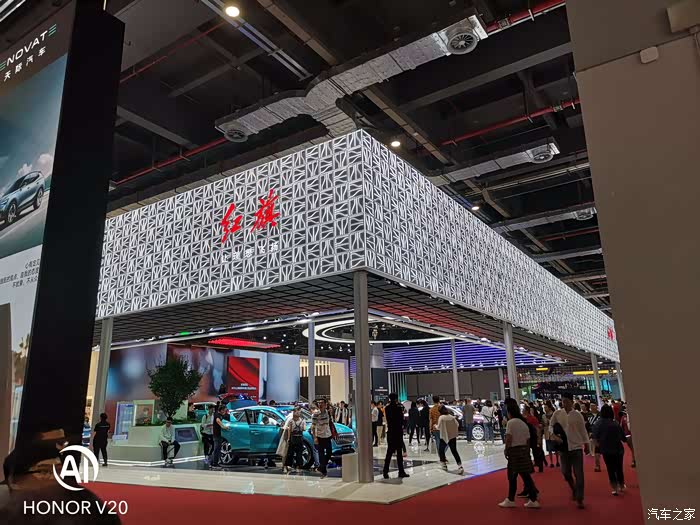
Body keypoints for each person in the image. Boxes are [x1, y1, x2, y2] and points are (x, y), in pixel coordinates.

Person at [549, 392, 589, 509]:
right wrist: (553, 435)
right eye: (563, 401)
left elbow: (583, 430)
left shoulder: (577, 415)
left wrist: (586, 444)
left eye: (566, 401)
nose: (564, 403)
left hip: (576, 447)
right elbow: (551, 425)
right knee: (565, 472)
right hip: (563, 448)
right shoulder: (557, 413)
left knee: (579, 474)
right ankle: (573, 488)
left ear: (572, 402)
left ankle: (580, 498)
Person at [498, 399, 540, 509]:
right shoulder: (523, 423)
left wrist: (506, 449)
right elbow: (528, 439)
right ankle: (533, 498)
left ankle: (511, 499)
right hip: (523, 450)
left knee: (512, 476)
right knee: (525, 475)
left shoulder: (511, 423)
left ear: (509, 412)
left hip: (514, 452)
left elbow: (509, 438)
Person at [592, 404, 627, 495]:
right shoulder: (615, 423)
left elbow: (594, 438)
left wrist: (599, 446)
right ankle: (621, 485)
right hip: (618, 449)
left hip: (606, 450)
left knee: (610, 468)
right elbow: (623, 438)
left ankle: (614, 487)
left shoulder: (598, 424)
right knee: (619, 468)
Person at [382, 393, 409, 479]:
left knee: (389, 452)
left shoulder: (387, 408)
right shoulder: (399, 407)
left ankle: (385, 471)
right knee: (399, 452)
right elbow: (401, 420)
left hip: (390, 431)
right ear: (396, 398)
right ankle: (401, 471)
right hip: (398, 432)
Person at [311, 398, 334, 479]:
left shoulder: (328, 412)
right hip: (320, 436)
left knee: (329, 452)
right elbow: (313, 426)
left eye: (322, 403)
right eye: (319, 403)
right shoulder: (316, 414)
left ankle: (322, 466)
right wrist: (315, 437)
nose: (320, 404)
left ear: (325, 404)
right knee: (321, 454)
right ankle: (323, 471)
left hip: (327, 435)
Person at [436, 405, 463, 474]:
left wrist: (435, 426)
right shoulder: (451, 417)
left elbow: (438, 427)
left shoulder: (441, 417)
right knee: (454, 451)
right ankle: (460, 466)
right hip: (452, 436)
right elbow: (457, 424)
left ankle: (444, 465)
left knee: (441, 450)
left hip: (444, 436)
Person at [285, 407, 307, 474]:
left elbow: (290, 430)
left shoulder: (291, 421)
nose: (295, 413)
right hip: (299, 438)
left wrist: (288, 438)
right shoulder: (302, 420)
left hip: (293, 438)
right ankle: (298, 467)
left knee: (290, 452)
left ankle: (289, 466)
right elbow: (304, 429)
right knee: (299, 453)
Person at [210, 404, 230, 469]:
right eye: (224, 410)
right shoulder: (217, 415)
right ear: (221, 410)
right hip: (217, 435)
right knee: (216, 449)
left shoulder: (221, 415)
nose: (225, 412)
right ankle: (214, 464)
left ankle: (212, 463)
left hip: (219, 435)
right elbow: (218, 421)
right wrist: (223, 427)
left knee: (217, 449)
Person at [543, 404, 558, 468]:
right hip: (547, 433)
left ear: (549, 408)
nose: (544, 409)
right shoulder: (543, 416)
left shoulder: (554, 415)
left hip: (553, 433)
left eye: (546, 407)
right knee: (549, 449)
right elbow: (543, 424)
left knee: (556, 448)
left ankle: (557, 461)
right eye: (544, 407)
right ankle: (551, 462)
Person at [587, 403, 601, 471]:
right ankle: (597, 465)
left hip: (601, 433)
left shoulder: (600, 414)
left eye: (593, 406)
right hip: (593, 434)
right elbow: (587, 425)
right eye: (591, 406)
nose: (592, 407)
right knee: (596, 450)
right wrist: (588, 432)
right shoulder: (588, 415)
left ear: (596, 406)